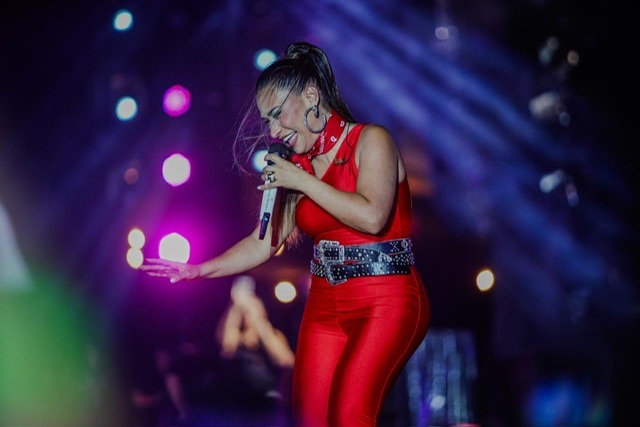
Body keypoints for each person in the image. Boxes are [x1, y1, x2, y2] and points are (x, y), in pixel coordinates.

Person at [141, 41, 430, 426]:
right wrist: (200, 269)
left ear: (311, 96)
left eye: (278, 115)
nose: (274, 131)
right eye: (268, 121)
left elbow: (373, 217)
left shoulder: (371, 140)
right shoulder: (296, 167)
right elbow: (263, 241)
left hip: (386, 297)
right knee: (311, 419)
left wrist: (301, 180)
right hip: (326, 304)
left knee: (349, 416)